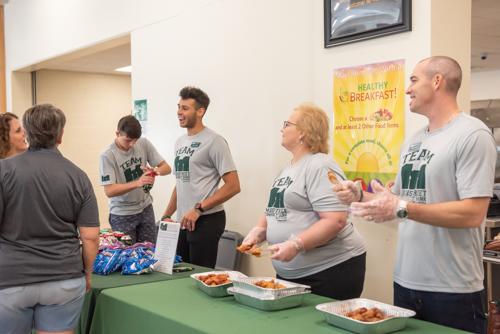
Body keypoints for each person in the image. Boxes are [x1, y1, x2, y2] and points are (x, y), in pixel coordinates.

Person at [333, 56, 496, 334]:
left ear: (437, 82)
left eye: (413, 80)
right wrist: (359, 195)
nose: (407, 89)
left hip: (453, 291)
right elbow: (396, 201)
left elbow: (473, 213)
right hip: (405, 284)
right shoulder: (413, 141)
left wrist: (403, 207)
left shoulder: (472, 135)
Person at [242, 102, 366, 300]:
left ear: (303, 133)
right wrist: (257, 233)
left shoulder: (320, 165)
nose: (282, 128)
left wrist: (295, 245)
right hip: (292, 274)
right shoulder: (287, 168)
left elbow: (336, 220)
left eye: (287, 124)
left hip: (329, 271)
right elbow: (274, 209)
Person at [0, 104, 100, 334]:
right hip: (64, 279)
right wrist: (86, 274)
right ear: (61, 136)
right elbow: (91, 236)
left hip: (12, 279)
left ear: (26, 133)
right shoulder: (78, 176)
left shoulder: (3, 170)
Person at [161, 86, 240, 268]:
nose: (179, 112)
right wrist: (167, 214)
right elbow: (180, 183)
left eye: (185, 108)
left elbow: (233, 186)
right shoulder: (180, 142)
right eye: (179, 107)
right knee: (181, 275)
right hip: (183, 221)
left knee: (199, 277)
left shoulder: (215, 141)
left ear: (200, 111)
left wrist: (199, 208)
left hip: (206, 220)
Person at [99, 115, 171, 245]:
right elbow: (109, 191)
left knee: (149, 253)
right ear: (117, 133)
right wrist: (137, 183)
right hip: (122, 214)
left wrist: (156, 171)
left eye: (135, 140)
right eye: (128, 140)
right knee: (127, 257)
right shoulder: (107, 155)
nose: (132, 144)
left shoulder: (144, 144)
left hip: (145, 209)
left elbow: (167, 168)